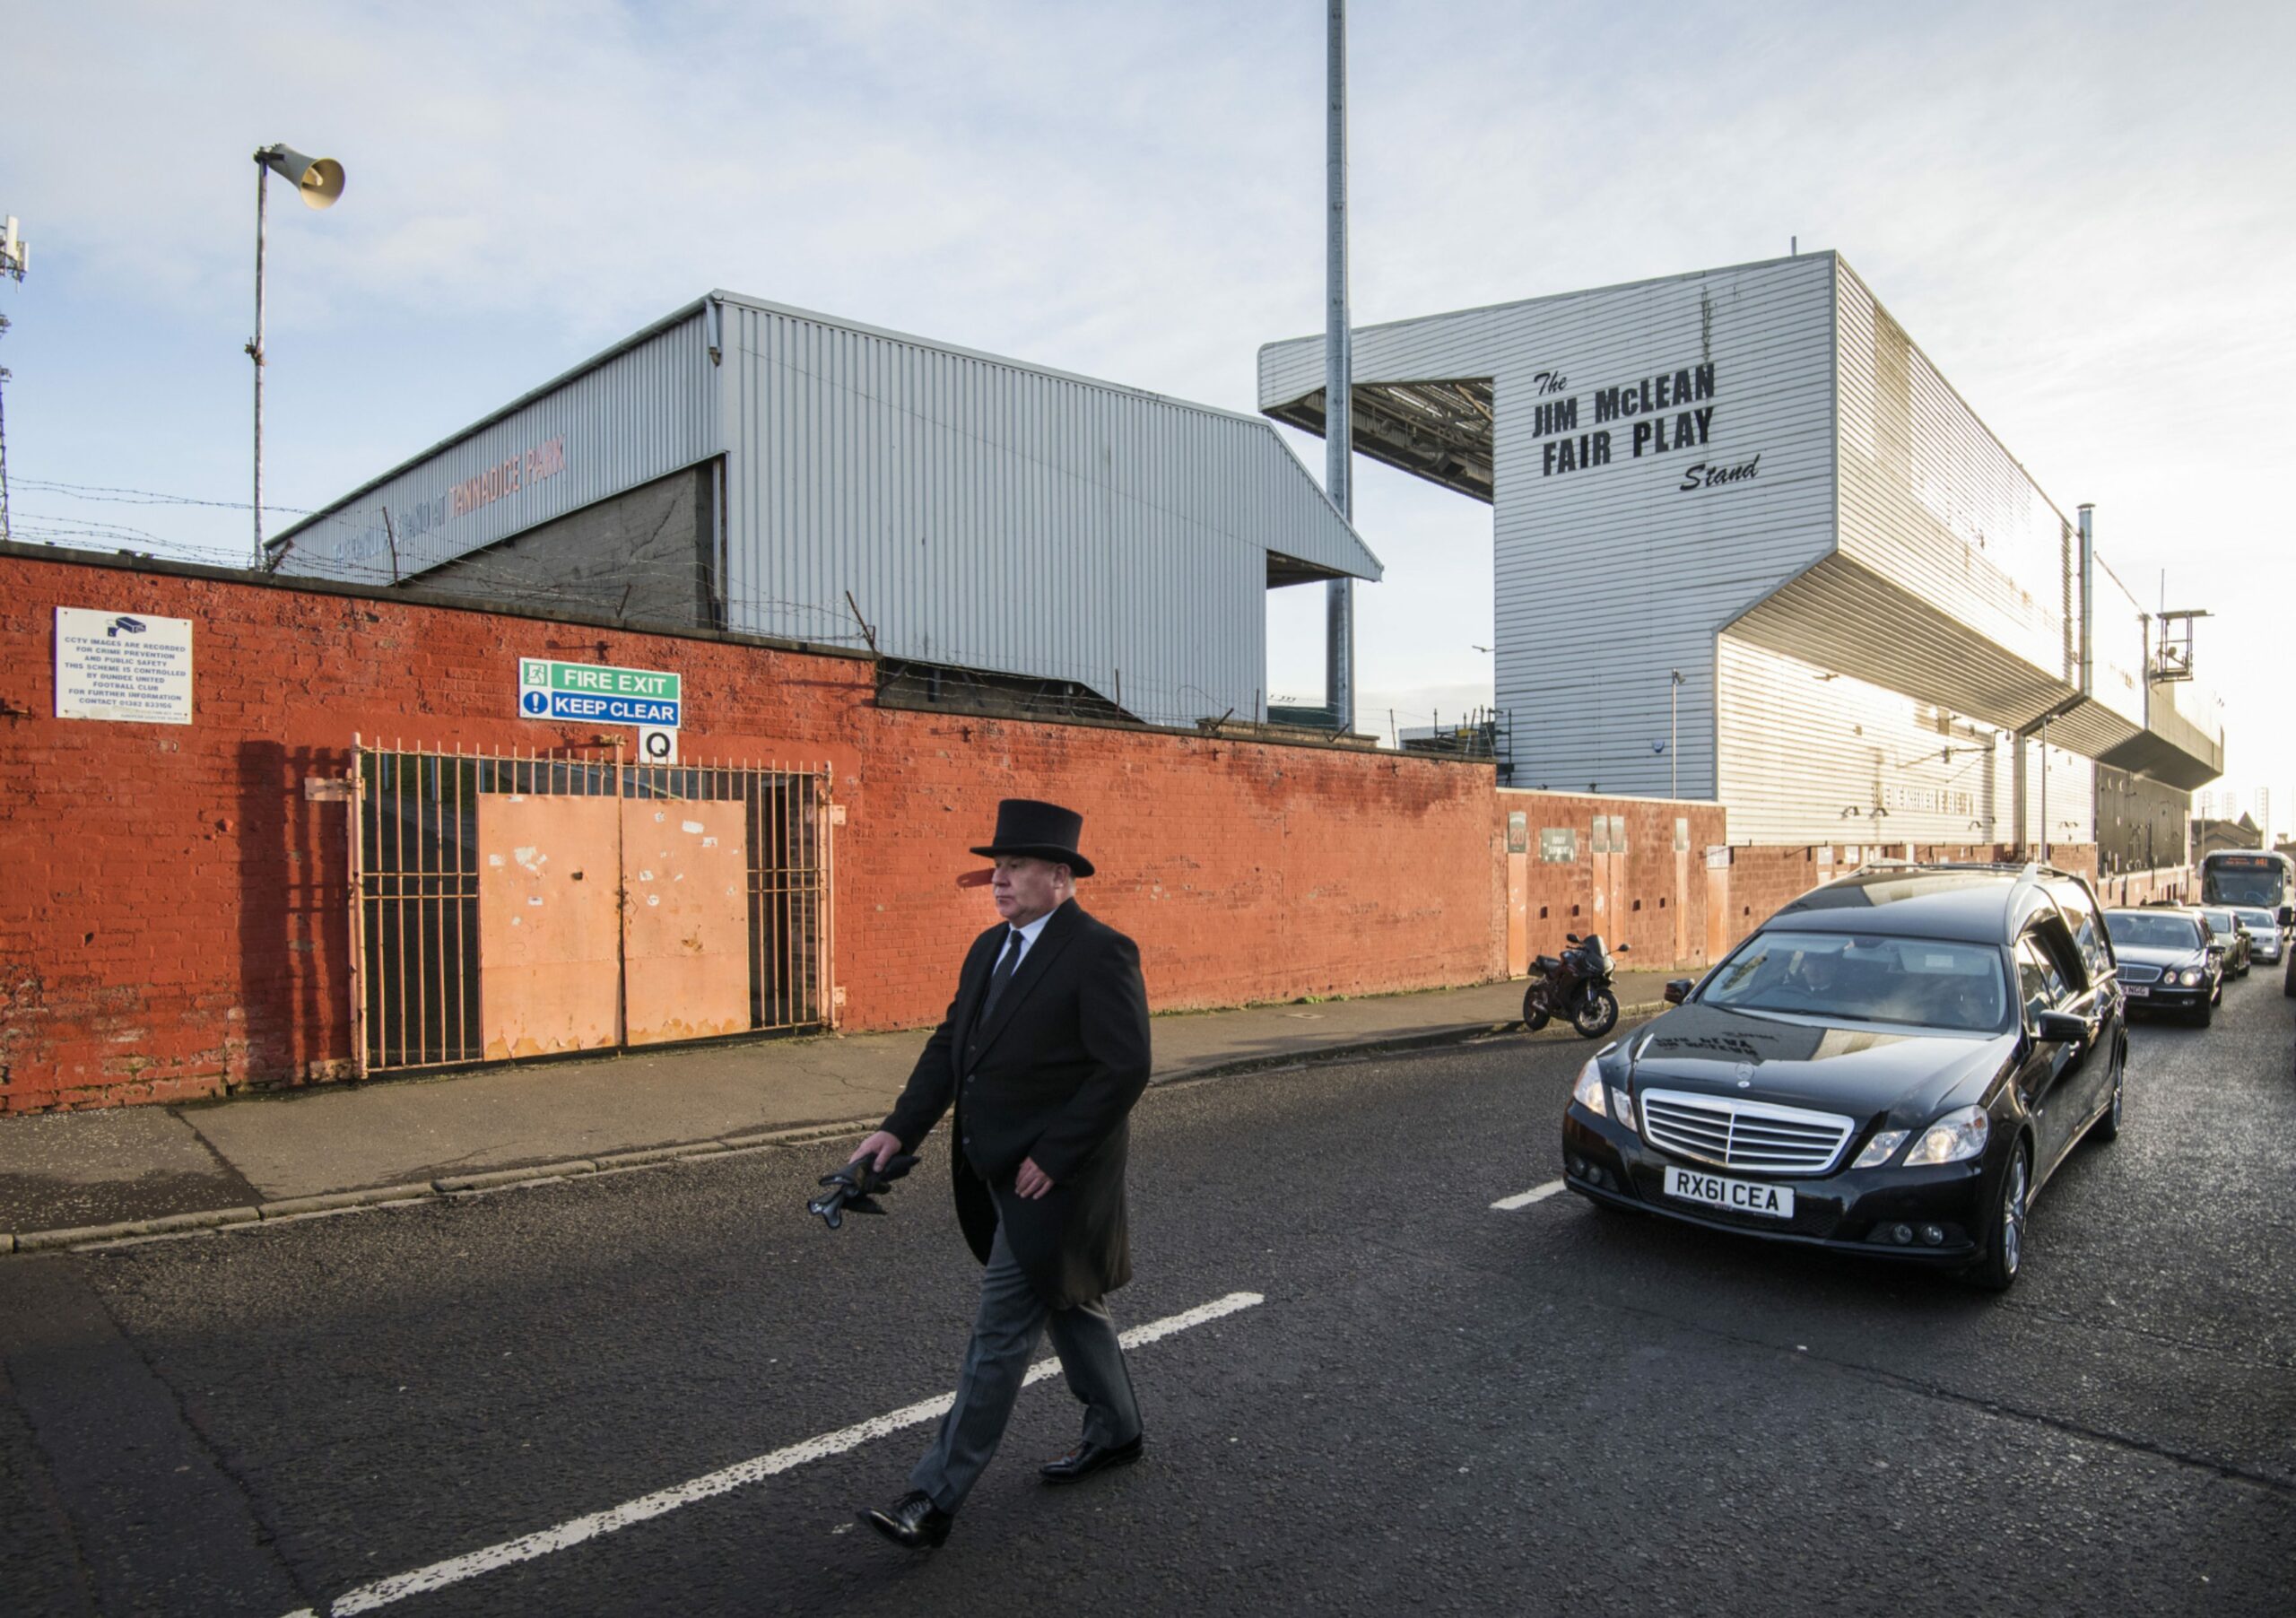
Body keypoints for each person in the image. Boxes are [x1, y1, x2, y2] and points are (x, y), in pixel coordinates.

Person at [852, 797, 1152, 1551]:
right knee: (1068, 1299)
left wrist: (1053, 1157)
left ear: (1060, 875)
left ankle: (933, 1496)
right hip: (990, 1167)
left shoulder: (1100, 951)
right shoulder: (990, 948)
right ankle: (1116, 1429)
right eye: (996, 866)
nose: (1000, 879)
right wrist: (897, 1130)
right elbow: (952, 1045)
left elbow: (1125, 1067)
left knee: (999, 1332)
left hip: (1054, 1180)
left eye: (1016, 866)